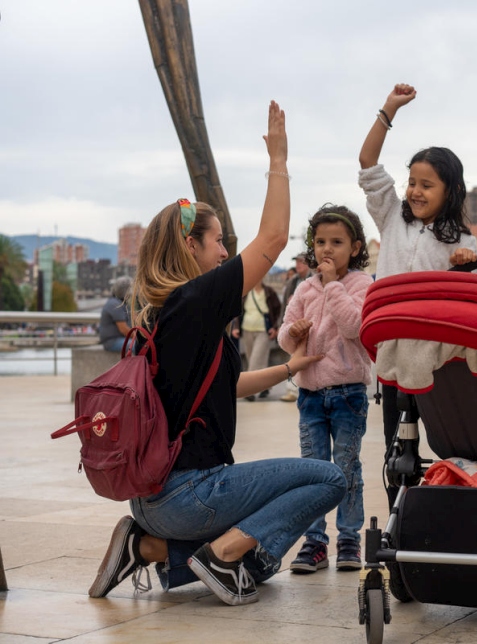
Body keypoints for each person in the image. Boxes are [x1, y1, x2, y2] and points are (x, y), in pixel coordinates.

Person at [88, 101, 347, 607]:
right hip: (189, 492)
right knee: (327, 478)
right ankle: (220, 555)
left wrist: (289, 367)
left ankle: (147, 546)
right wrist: (279, 158)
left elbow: (222, 387)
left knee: (263, 546)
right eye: (217, 242)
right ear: (190, 246)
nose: (226, 253)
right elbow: (272, 240)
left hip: (153, 498)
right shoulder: (196, 300)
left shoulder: (157, 315)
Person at [358, 82, 477, 506]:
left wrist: (466, 261)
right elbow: (368, 162)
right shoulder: (392, 217)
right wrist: (388, 110)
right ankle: (399, 510)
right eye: (412, 181)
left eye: (427, 184)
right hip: (393, 349)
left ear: (450, 190)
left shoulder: (461, 238)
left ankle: (448, 501)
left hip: (436, 356)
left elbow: (468, 295)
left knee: (446, 434)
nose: (415, 191)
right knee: (397, 439)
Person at [278, 205, 373, 574]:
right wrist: (294, 333)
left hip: (348, 393)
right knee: (312, 469)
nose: (327, 250)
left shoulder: (361, 285)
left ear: (355, 247)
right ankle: (315, 541)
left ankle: (349, 538)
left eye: (337, 242)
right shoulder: (304, 288)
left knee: (346, 468)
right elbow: (286, 336)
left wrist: (333, 283)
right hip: (311, 394)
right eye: (320, 242)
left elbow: (354, 327)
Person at [232, 280, 281, 401]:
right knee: (252, 359)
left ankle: (248, 390)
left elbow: (278, 309)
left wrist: (275, 327)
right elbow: (238, 310)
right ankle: (264, 386)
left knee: (256, 359)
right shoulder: (246, 292)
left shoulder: (269, 292)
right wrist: (236, 327)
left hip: (263, 330)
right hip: (247, 329)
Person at [279, 255, 311, 402]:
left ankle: (300, 390)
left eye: (301, 262)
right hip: (294, 327)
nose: (298, 265)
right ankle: (292, 390)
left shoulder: (314, 279)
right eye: (296, 262)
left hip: (309, 326)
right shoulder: (292, 282)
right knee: (293, 358)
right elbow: (284, 307)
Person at [99, 276, 132, 352]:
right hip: (112, 341)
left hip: (118, 339)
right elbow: (124, 330)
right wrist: (140, 338)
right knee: (141, 346)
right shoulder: (115, 304)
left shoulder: (120, 303)